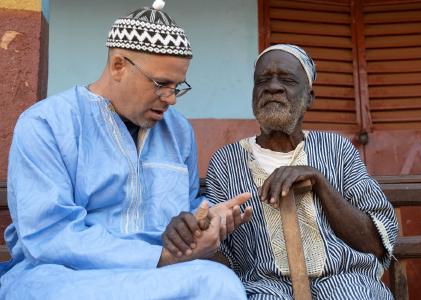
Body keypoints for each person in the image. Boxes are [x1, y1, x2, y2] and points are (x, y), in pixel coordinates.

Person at [0, 2, 252, 299]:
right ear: (118, 65)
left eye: (177, 86)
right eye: (161, 84)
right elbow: (49, 235)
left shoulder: (179, 131)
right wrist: (160, 258)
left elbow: (185, 209)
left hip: (157, 274)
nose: (171, 98)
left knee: (218, 284)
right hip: (65, 274)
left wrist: (204, 221)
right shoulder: (47, 124)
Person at [165, 44, 398, 299]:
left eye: (286, 80)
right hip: (264, 285)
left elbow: (376, 243)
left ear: (309, 97)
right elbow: (226, 258)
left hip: (345, 279)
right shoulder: (226, 161)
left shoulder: (338, 149)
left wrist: (318, 181)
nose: (273, 87)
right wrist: (197, 236)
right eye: (262, 80)